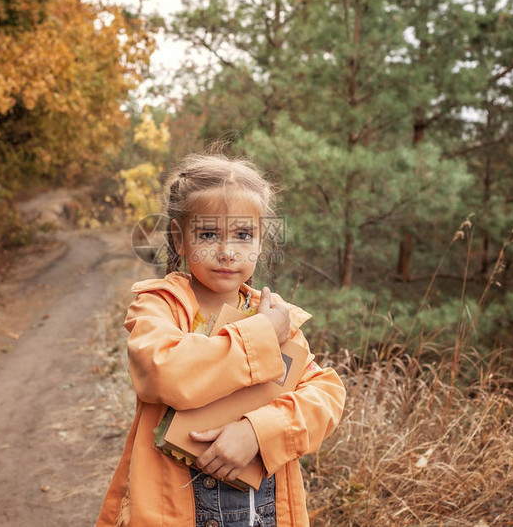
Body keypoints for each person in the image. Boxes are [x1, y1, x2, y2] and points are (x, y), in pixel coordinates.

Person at [96, 153, 346, 526]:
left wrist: (257, 433)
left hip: (262, 512)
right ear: (180, 240)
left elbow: (325, 394)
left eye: (243, 235)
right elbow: (165, 373)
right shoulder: (160, 308)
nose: (228, 251)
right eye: (209, 234)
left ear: (261, 241)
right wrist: (260, 336)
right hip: (174, 511)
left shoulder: (275, 315)